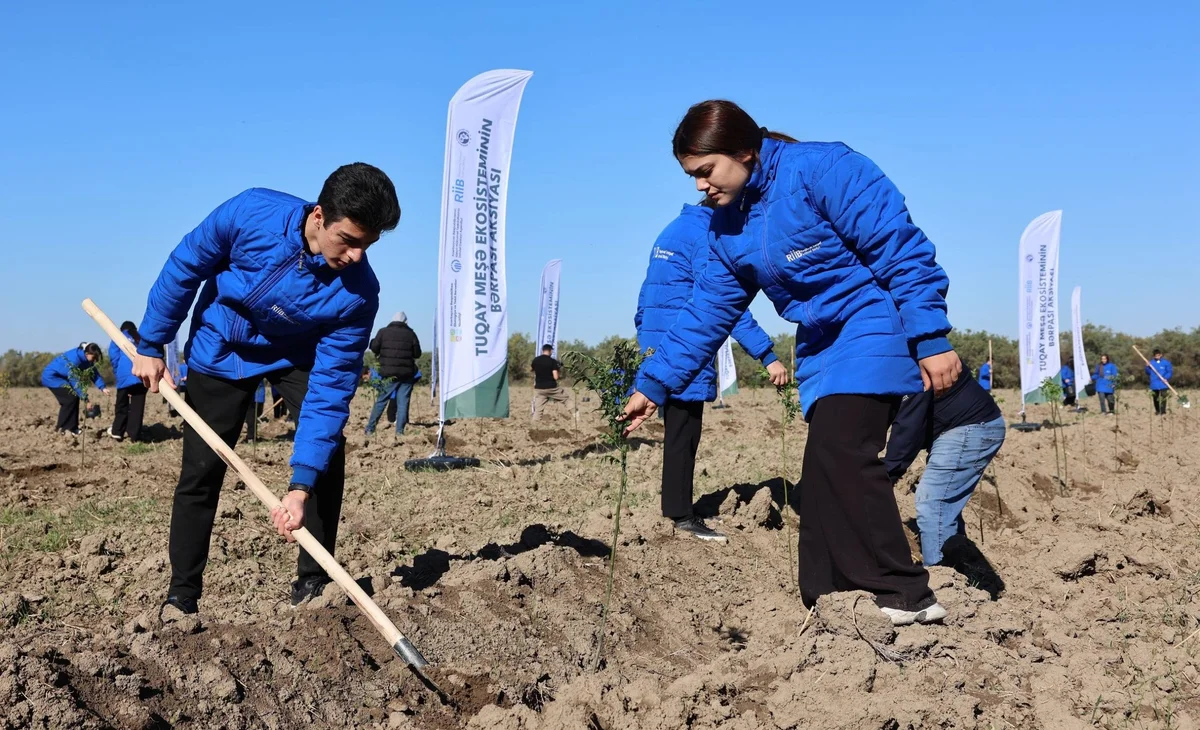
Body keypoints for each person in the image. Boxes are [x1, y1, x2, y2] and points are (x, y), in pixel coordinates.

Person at [621, 100, 961, 626]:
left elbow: (901, 249)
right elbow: (706, 312)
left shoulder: (823, 169)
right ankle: (826, 596)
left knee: (844, 450)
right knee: (821, 469)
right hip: (821, 341)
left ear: (743, 150)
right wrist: (654, 384)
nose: (699, 187)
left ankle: (905, 593)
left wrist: (931, 336)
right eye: (691, 176)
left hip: (873, 318)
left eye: (705, 171)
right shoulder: (725, 227)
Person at [130, 163, 400, 616]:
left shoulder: (358, 293)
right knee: (201, 468)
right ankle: (182, 596)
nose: (356, 255)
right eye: (349, 241)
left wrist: (300, 485)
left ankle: (313, 583)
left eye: (367, 245)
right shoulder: (251, 213)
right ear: (319, 217)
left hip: (294, 353)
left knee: (327, 456)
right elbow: (185, 265)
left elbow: (331, 387)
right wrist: (151, 341)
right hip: (223, 345)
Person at [636, 202, 784, 542]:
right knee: (684, 435)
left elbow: (646, 296)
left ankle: (676, 508)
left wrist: (648, 342)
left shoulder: (671, 230)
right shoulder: (705, 235)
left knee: (677, 431)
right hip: (685, 346)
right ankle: (681, 516)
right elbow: (720, 304)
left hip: (661, 345)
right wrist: (766, 354)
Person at [884, 366, 1005, 566]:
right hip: (958, 425)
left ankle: (944, 581)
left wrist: (887, 475)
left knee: (933, 502)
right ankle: (964, 569)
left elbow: (908, 428)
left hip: (970, 425)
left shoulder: (908, 365)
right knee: (944, 508)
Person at [366, 312, 420, 435]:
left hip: (388, 374)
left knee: (381, 401)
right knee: (403, 404)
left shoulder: (383, 332)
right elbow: (417, 353)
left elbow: (374, 348)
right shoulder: (411, 334)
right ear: (406, 322)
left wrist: (373, 341)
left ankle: (370, 429)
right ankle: (399, 432)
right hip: (406, 375)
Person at [42, 343, 109, 434]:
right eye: (93, 358)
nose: (94, 361)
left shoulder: (86, 359)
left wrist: (102, 387)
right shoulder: (75, 359)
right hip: (52, 377)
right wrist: (86, 399)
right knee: (69, 400)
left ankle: (72, 428)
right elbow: (75, 381)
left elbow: (94, 372)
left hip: (62, 377)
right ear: (87, 354)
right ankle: (63, 428)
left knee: (74, 398)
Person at [108, 322, 148, 442]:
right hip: (140, 375)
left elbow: (113, 356)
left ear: (122, 329)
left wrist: (117, 372)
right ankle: (134, 435)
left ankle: (117, 432)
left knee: (122, 405)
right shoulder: (140, 337)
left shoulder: (118, 336)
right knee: (137, 407)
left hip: (124, 376)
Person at [531, 346, 569, 420]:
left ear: (542, 350)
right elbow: (556, 377)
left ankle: (534, 425)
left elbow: (532, 369)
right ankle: (577, 418)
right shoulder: (552, 361)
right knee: (567, 400)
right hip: (552, 388)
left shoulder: (535, 360)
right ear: (550, 351)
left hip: (539, 389)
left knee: (538, 410)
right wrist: (558, 369)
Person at [1146, 348, 1173, 416]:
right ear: (1154, 356)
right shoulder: (1151, 363)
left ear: (1161, 355)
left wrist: (1166, 378)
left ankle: (1163, 412)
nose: (1157, 356)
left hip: (1163, 383)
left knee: (1163, 397)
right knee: (1155, 398)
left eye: (1158, 355)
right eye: (1155, 355)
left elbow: (1169, 372)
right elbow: (1148, 372)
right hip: (1154, 384)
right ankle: (1158, 411)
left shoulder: (1166, 363)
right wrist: (1147, 367)